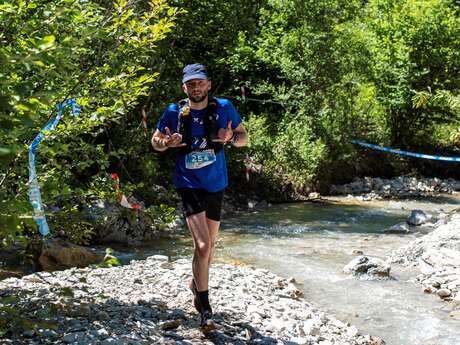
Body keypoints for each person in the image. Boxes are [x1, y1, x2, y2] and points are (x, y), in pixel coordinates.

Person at [151, 63, 248, 329]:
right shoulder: (174, 112)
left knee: (208, 248)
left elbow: (244, 138)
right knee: (203, 246)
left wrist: (230, 137)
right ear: (185, 87)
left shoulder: (224, 108)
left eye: (200, 83)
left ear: (208, 85)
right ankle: (205, 308)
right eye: (191, 84)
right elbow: (155, 141)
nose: (196, 87)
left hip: (216, 183)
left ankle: (196, 283)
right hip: (188, 182)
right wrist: (165, 143)